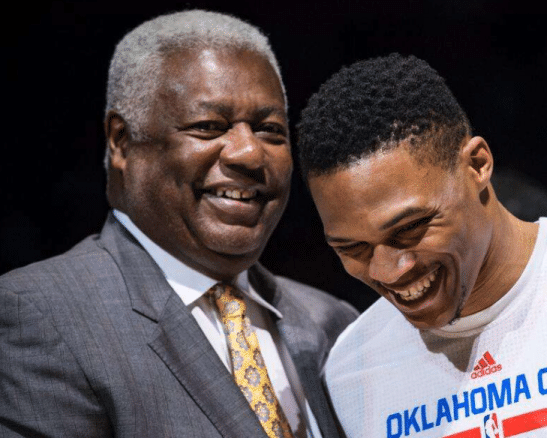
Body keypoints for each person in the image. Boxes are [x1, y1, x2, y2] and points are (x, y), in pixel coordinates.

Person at [296, 53, 547, 437]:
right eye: (353, 249)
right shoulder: (351, 373)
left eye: (411, 228)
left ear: (477, 165)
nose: (388, 270)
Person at [0, 10, 357, 438]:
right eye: (208, 127)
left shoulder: (334, 324)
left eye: (269, 129)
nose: (249, 152)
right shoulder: (40, 314)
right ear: (121, 141)